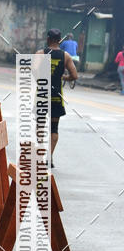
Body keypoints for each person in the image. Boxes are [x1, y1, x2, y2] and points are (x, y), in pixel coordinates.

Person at [37, 28, 77, 166]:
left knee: (40, 126)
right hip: (56, 96)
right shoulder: (65, 56)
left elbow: (33, 72)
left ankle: (40, 155)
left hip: (42, 94)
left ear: (48, 39)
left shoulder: (40, 53)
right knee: (54, 128)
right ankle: (49, 157)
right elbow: (74, 76)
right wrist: (63, 76)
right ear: (60, 40)